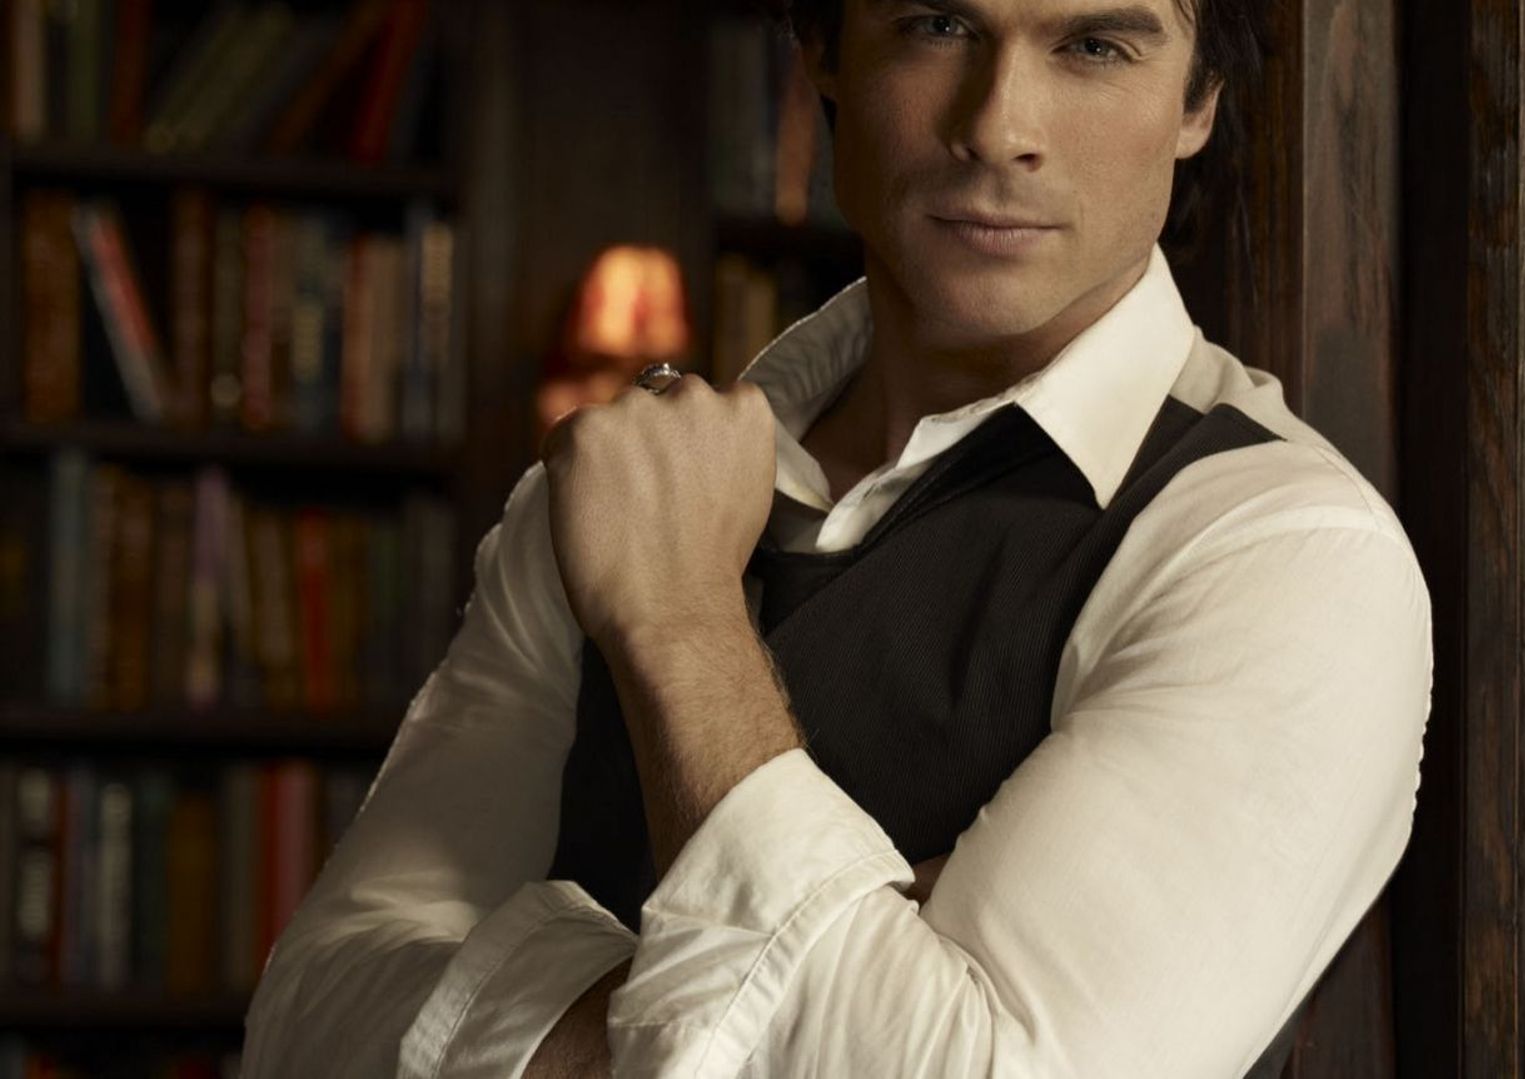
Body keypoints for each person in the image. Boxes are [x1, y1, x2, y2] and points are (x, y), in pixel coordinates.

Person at [241, 0, 1433, 1074]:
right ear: (820, 46)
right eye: (938, 27)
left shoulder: (1285, 556)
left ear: (1198, 101)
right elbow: (309, 1018)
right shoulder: (623, 485)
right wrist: (780, 1002)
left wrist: (677, 621)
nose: (999, 128)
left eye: (1094, 46)